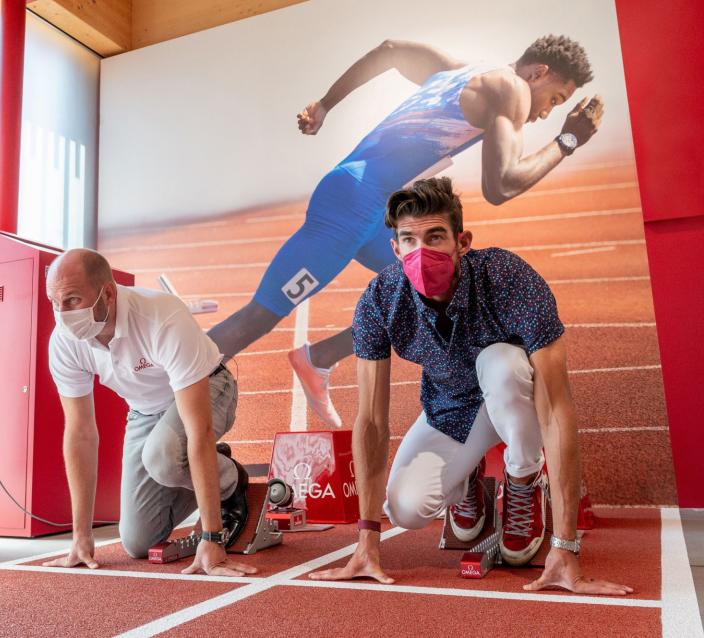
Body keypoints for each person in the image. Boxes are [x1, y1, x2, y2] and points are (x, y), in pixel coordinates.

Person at [207, 35, 604, 428]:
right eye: (555, 99)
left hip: (372, 209)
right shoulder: (513, 90)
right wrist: (568, 140)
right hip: (351, 206)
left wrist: (326, 104)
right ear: (538, 72)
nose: (546, 113)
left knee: (436, 293)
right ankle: (166, 386)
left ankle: (318, 358)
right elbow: (500, 186)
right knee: (257, 317)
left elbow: (390, 51)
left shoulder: (457, 70)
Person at [308, 177, 631, 594]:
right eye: (409, 239)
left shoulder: (509, 278)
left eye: (435, 236)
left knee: (500, 362)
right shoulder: (380, 299)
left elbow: (555, 407)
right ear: (395, 249)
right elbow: (370, 419)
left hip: (517, 398)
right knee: (405, 509)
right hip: (451, 409)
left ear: (463, 241)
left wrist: (566, 546)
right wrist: (367, 540)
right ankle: (468, 480)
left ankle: (523, 480)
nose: (421, 252)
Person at [42, 249, 256, 577]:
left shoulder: (161, 316)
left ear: (108, 294)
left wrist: (212, 538)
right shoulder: (65, 341)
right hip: (145, 412)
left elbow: (198, 429)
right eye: (54, 303)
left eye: (71, 300)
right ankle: (204, 462)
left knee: (164, 457)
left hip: (209, 387)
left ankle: (231, 481)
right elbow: (80, 432)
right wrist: (80, 537)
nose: (62, 314)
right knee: (138, 542)